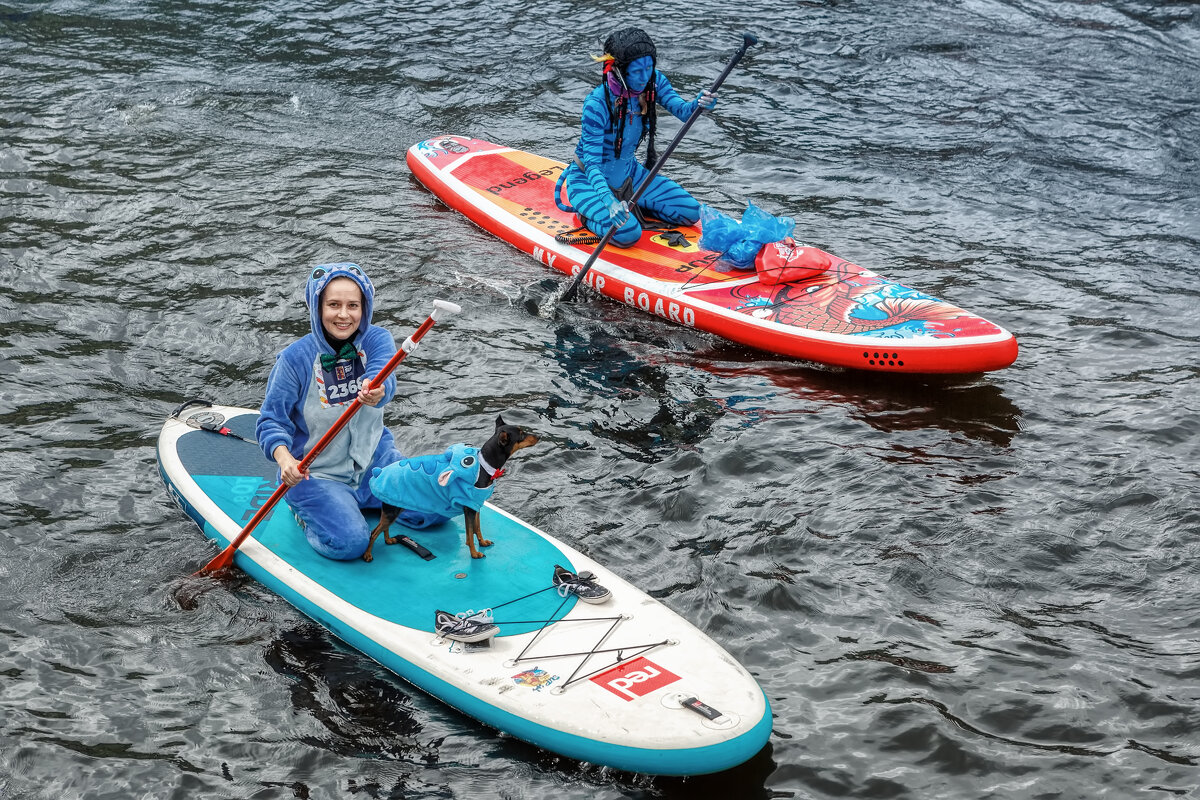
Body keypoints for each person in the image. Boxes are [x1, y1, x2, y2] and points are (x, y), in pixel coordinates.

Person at [255, 262, 447, 560]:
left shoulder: (376, 338)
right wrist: (285, 460)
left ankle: (364, 501)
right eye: (333, 305)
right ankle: (309, 513)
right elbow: (270, 422)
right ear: (317, 308)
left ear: (364, 308)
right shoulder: (293, 360)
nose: (344, 315)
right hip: (318, 474)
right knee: (351, 544)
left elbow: (384, 374)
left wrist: (377, 388)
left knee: (439, 507)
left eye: (353, 306)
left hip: (375, 462)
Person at [555, 27, 717, 247]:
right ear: (619, 70)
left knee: (691, 212)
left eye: (649, 68)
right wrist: (610, 203)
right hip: (588, 182)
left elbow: (683, 112)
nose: (644, 77)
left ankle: (636, 206)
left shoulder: (653, 82)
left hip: (630, 175)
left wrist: (699, 105)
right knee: (629, 233)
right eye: (637, 71)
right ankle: (590, 217)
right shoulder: (597, 103)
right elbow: (591, 164)